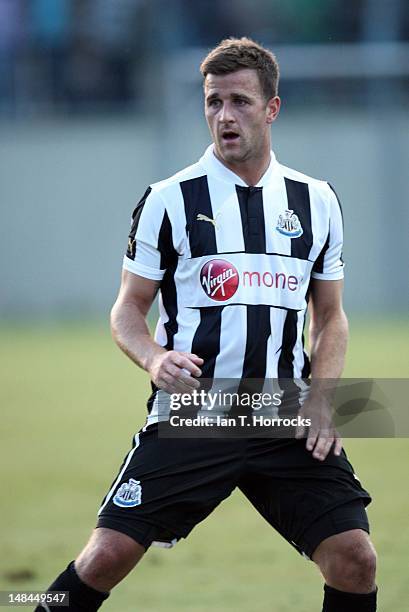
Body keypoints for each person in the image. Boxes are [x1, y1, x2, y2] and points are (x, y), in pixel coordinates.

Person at [35, 37, 377, 612]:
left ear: (272, 108)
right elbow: (127, 309)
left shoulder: (316, 200)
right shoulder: (167, 200)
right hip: (197, 412)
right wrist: (152, 357)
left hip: (283, 409)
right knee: (105, 558)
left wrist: (325, 397)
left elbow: (331, 315)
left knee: (356, 559)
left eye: (240, 101)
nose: (225, 116)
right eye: (213, 101)